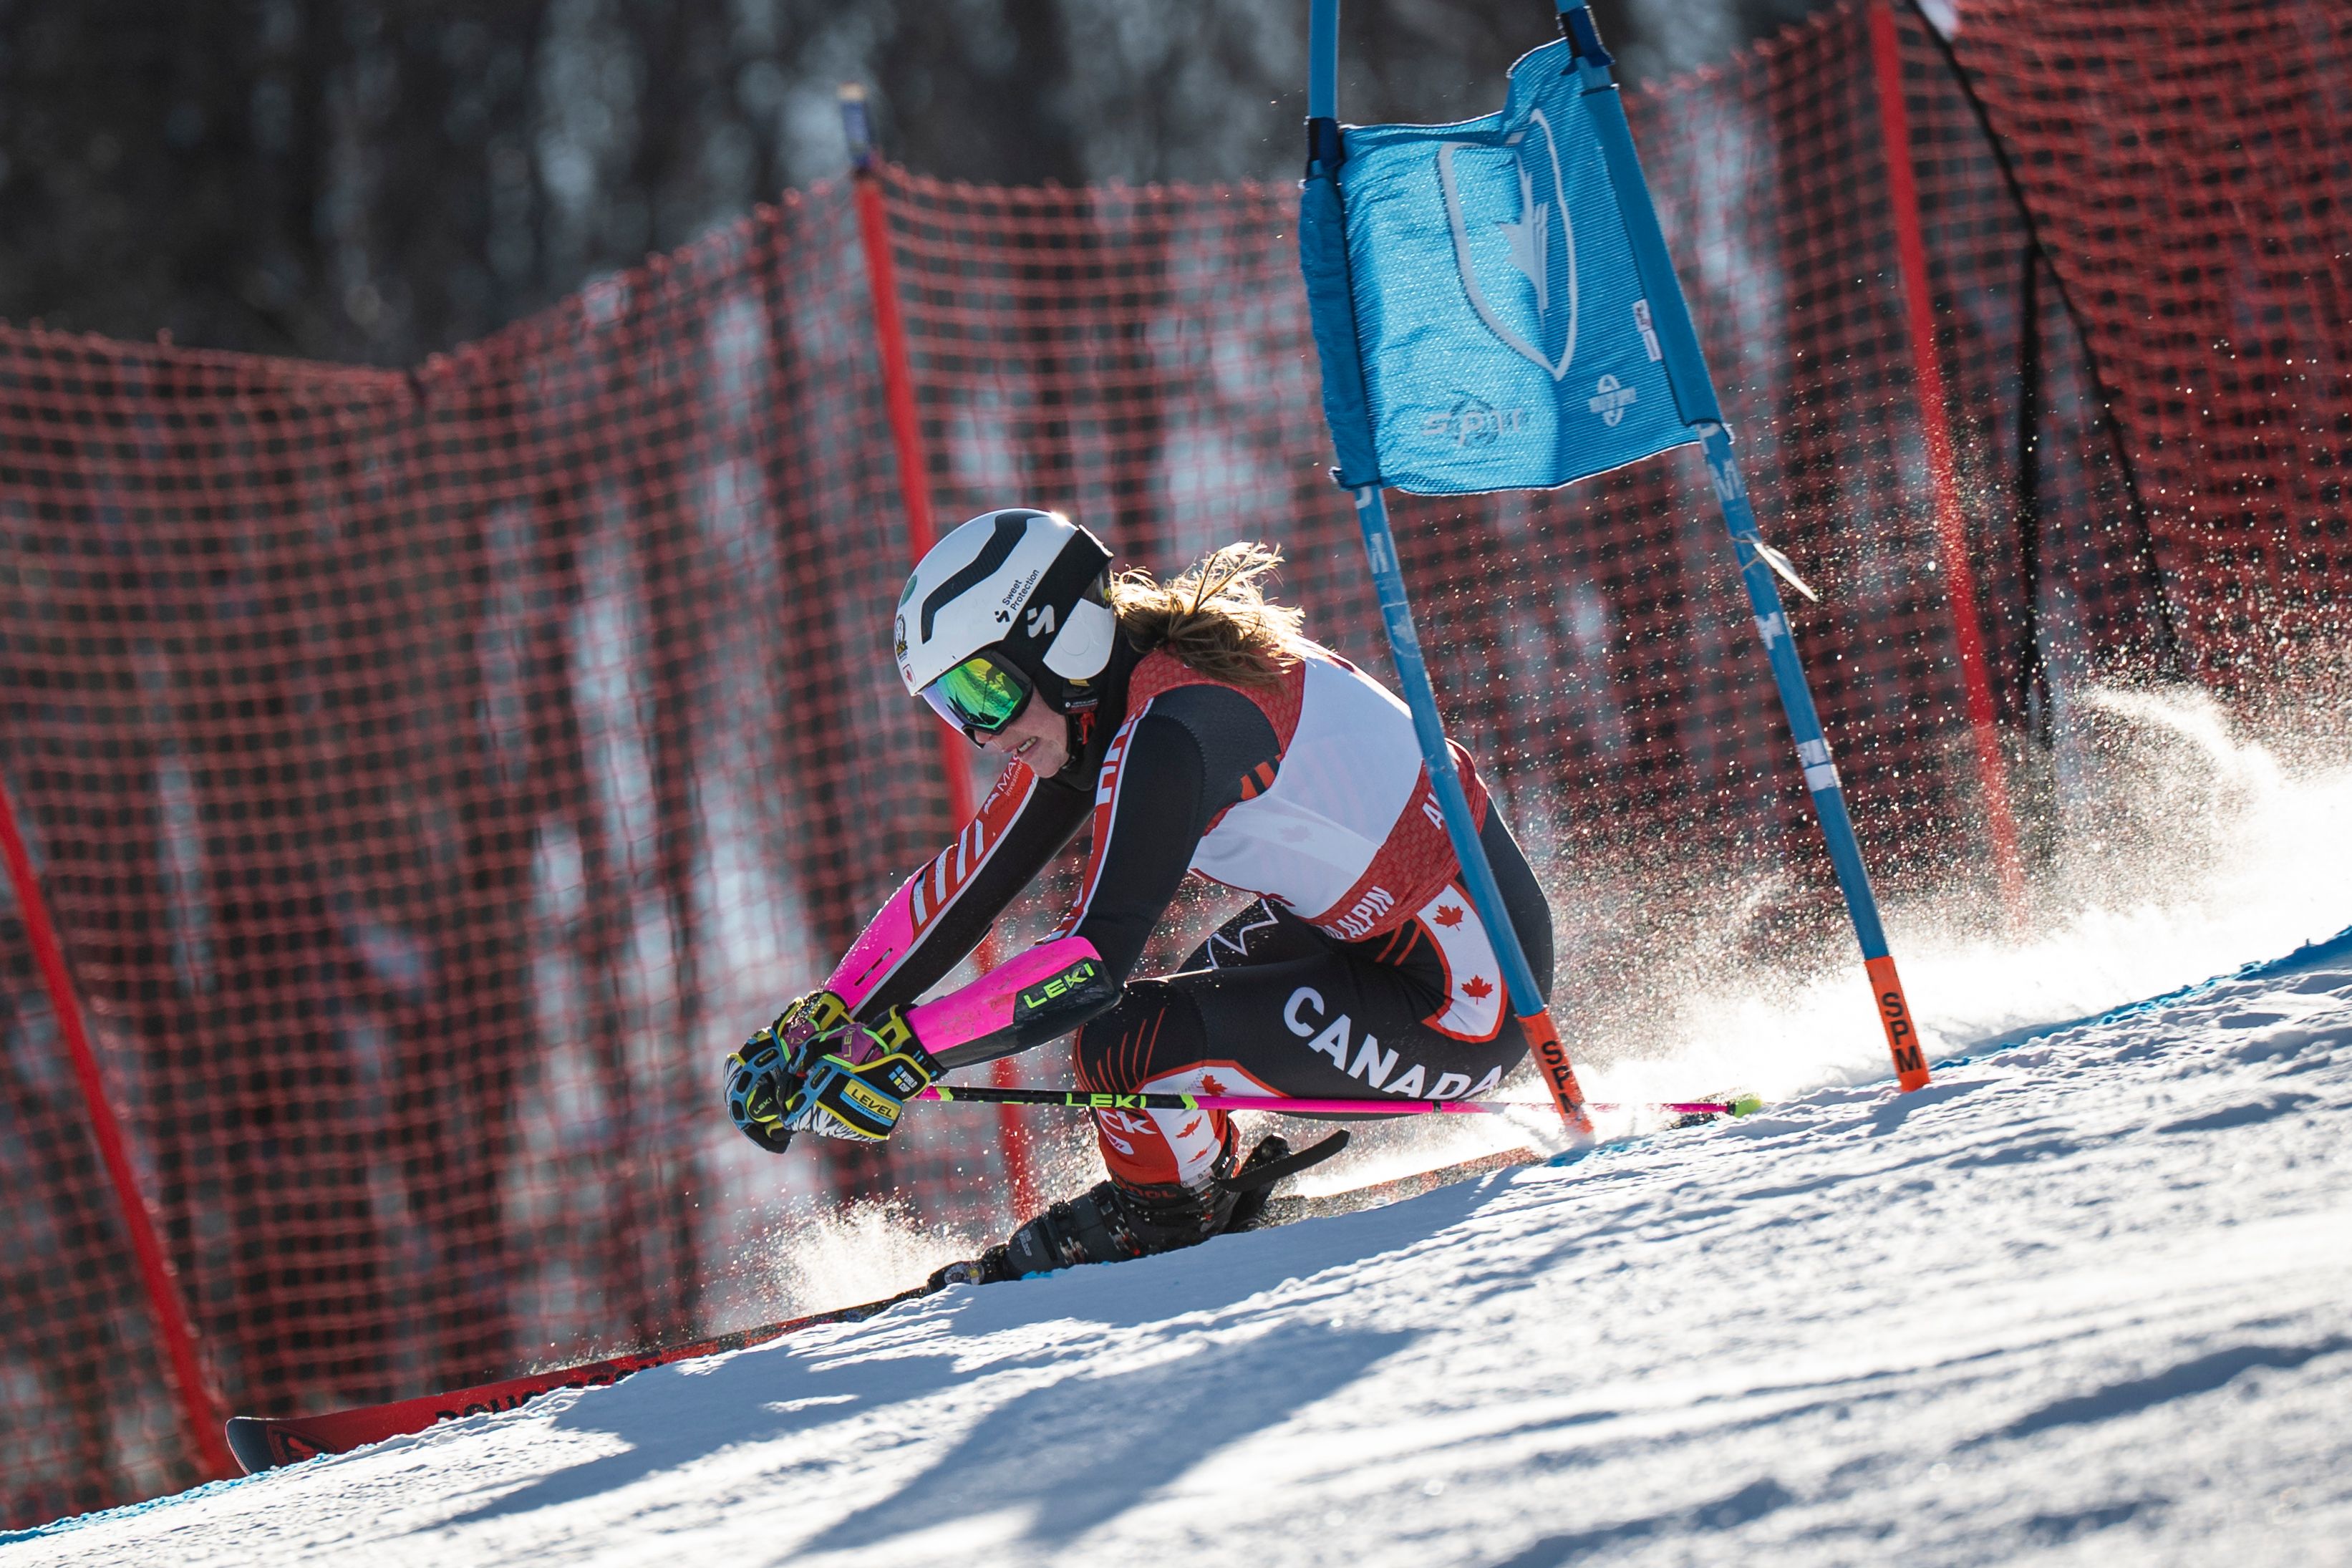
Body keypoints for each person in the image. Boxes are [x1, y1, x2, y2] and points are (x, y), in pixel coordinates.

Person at [725, 508, 1554, 1279]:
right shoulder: (1115, 705)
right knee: (1155, 1042)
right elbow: (965, 884)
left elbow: (1089, 963)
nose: (984, 734)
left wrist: (909, 1053)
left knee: (1126, 1045)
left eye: (985, 691)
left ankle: (1163, 1218)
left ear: (1058, 641)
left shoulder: (1175, 729)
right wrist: (833, 1015)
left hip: (1471, 1004)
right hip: (1367, 936)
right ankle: (1195, 1187)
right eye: (954, 709)